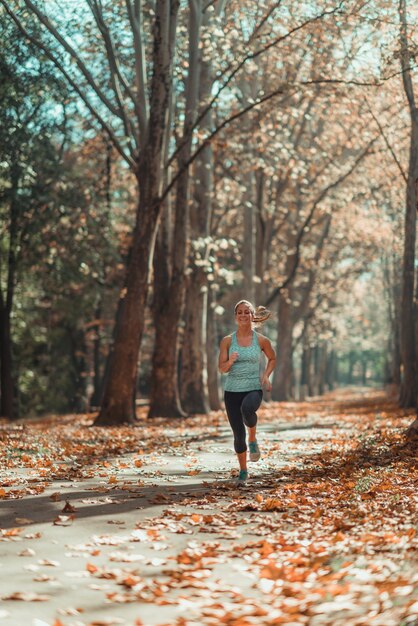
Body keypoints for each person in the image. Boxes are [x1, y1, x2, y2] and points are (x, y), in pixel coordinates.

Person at [218, 300, 276, 486]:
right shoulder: (227, 341)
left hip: (253, 388)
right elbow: (222, 369)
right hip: (231, 391)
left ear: (252, 316)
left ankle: (253, 438)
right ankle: (243, 471)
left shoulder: (261, 340)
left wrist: (266, 376)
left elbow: (272, 358)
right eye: (240, 312)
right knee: (237, 435)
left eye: (247, 312)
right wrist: (230, 361)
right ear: (236, 316)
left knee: (247, 409)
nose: (243, 315)